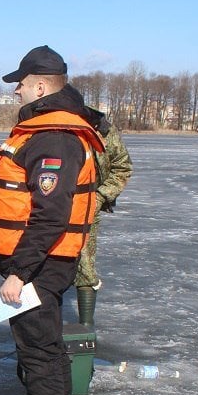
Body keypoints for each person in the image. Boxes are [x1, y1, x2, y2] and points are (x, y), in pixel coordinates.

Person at [0, 45, 104, 395]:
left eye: (21, 85)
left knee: (39, 350)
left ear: (42, 85)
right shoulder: (45, 131)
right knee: (41, 343)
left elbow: (51, 214)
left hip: (40, 264)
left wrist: (18, 271)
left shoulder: (54, 138)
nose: (16, 93)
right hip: (39, 261)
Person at [72, 108, 133, 328]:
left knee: (85, 266)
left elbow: (122, 167)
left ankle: (86, 329)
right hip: (50, 207)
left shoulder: (104, 130)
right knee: (44, 266)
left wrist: (99, 197)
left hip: (87, 207)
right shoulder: (51, 126)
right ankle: (42, 332)